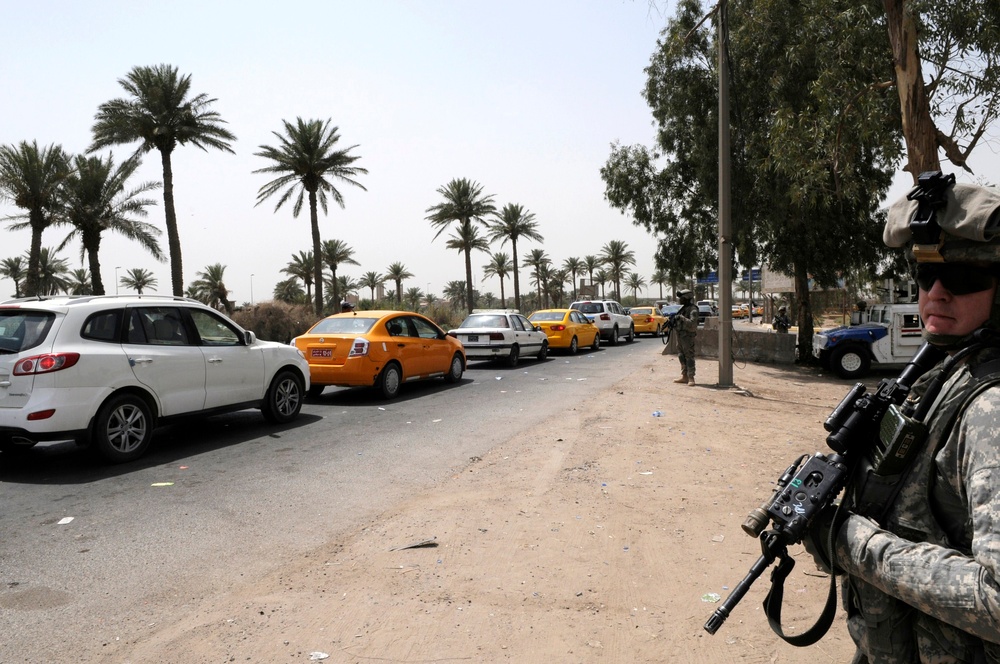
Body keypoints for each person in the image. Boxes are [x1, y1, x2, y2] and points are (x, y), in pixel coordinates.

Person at [805, 178, 1000, 662]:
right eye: (926, 275)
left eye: (963, 278)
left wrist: (853, 542)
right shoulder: (945, 369)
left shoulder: (990, 407)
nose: (937, 293)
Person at [672, 289, 699, 386]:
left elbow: (693, 324)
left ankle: (691, 377)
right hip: (680, 335)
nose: (680, 300)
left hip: (687, 336)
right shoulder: (683, 309)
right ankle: (684, 376)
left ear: (687, 298)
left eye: (682, 298)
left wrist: (682, 318)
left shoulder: (693, 309)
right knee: (681, 355)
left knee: (689, 356)